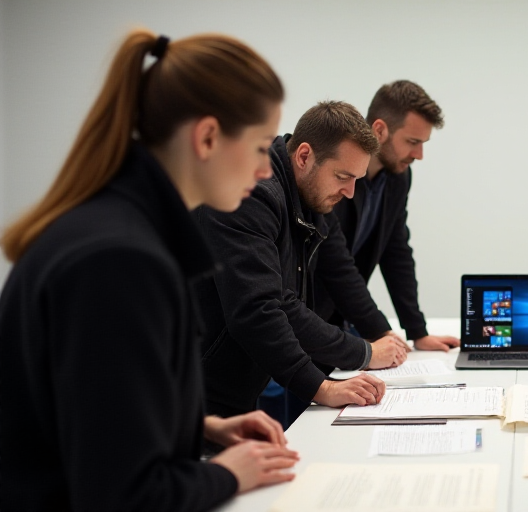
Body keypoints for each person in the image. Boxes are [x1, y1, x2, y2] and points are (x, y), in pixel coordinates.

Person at [0, 30, 299, 510]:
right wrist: (227, 474)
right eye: (263, 146)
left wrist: (200, 427)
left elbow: (86, 409)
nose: (267, 170)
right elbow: (124, 495)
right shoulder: (120, 261)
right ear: (207, 137)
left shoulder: (114, 229)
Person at [194, 101, 408, 425]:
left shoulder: (311, 198)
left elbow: (341, 272)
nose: (350, 192)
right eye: (343, 176)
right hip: (197, 389)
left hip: (234, 391)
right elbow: (262, 309)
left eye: (356, 180)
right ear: (305, 156)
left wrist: (382, 336)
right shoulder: (252, 194)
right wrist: (324, 386)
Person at [316, 80, 459, 352]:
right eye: (412, 142)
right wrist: (380, 331)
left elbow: (396, 252)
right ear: (380, 130)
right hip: (309, 316)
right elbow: (335, 263)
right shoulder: (338, 177)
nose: (419, 154)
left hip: (343, 316)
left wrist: (417, 331)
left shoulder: (398, 177)